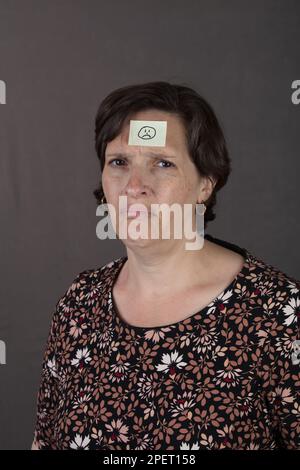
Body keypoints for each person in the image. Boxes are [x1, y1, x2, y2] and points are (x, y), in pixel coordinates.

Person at [32, 81, 300, 450]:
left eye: (163, 163)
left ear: (205, 183)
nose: (135, 186)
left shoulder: (278, 314)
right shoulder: (80, 303)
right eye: (119, 162)